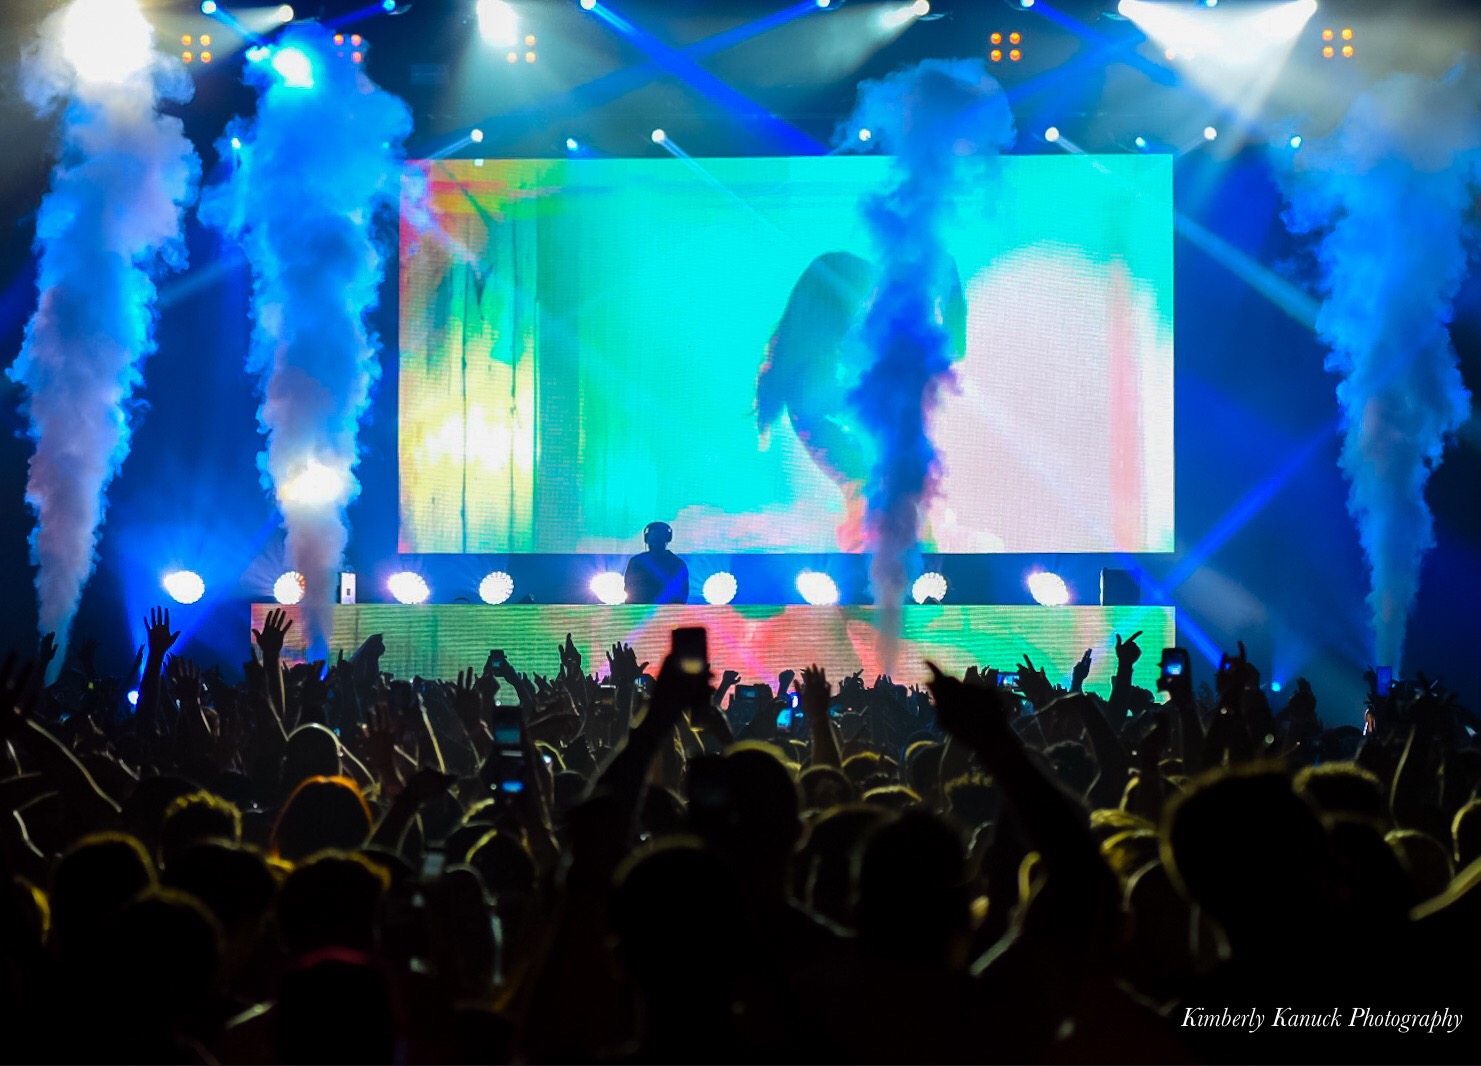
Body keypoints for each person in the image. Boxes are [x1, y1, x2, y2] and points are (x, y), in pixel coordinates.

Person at [623, 521, 689, 604]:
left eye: (658, 541)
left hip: (653, 610)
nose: (656, 544)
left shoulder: (636, 561)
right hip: (659, 610)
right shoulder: (678, 563)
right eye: (654, 540)